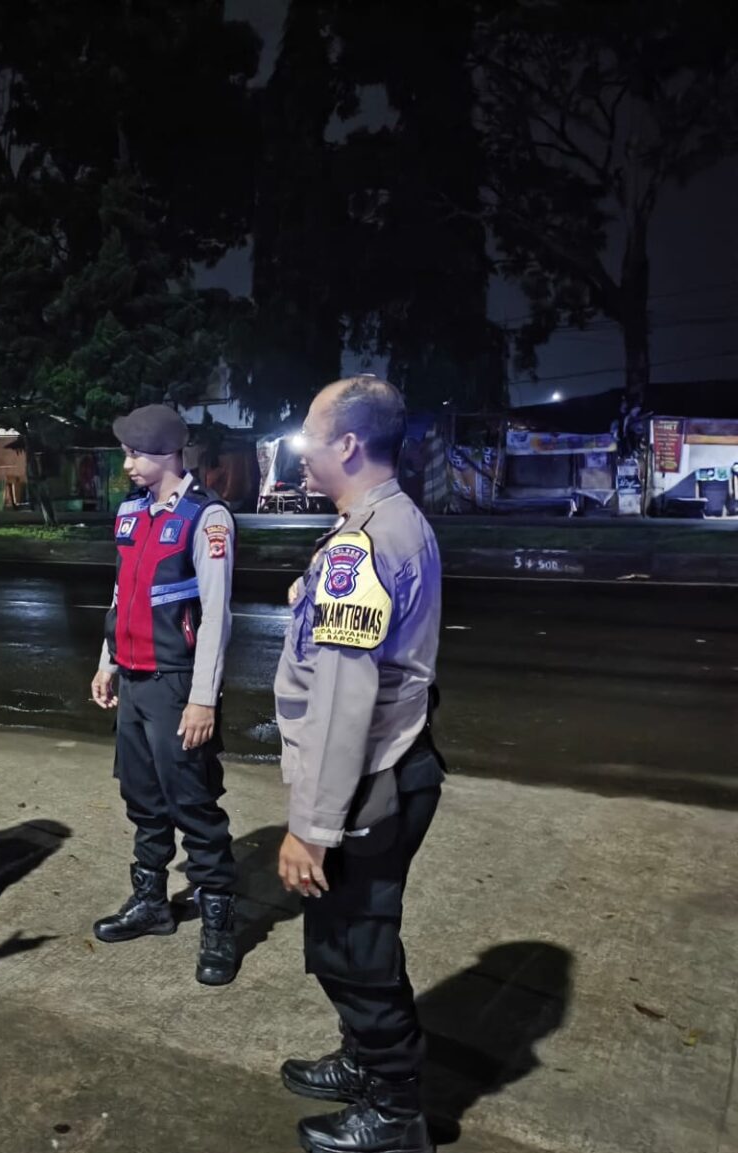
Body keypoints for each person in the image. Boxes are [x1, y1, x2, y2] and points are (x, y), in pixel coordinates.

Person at [273, 376, 446, 1153]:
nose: (302, 450)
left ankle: (396, 1108)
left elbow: (347, 696)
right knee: (345, 932)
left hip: (368, 780)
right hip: (387, 768)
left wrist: (310, 828)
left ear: (347, 444)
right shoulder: (391, 520)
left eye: (310, 434)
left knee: (357, 944)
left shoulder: (363, 542)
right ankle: (364, 1061)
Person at [89, 404, 240, 986]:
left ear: (166, 455)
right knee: (143, 799)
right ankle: (151, 904)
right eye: (126, 454)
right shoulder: (130, 513)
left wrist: (203, 698)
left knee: (194, 807)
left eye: (135, 454)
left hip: (177, 685)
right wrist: (107, 663)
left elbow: (218, 615)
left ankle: (221, 926)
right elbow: (121, 591)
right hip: (131, 679)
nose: (127, 465)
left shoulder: (208, 519)